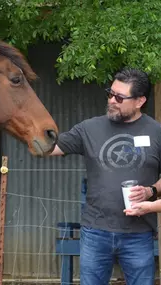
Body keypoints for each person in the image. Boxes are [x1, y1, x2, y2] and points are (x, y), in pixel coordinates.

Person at [51, 68, 161, 285]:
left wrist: (151, 191)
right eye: (110, 93)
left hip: (139, 234)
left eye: (119, 97)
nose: (112, 100)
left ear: (140, 101)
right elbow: (50, 148)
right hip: (95, 232)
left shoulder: (156, 132)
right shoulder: (90, 128)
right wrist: (22, 125)